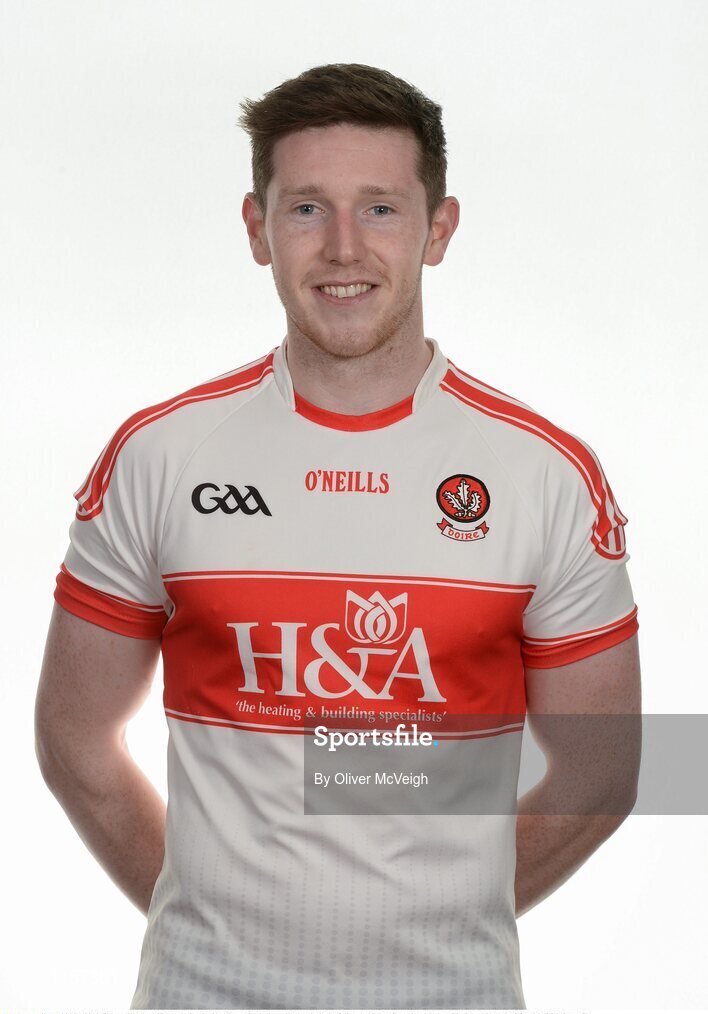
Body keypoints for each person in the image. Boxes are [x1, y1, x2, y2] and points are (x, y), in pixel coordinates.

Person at [34, 62, 641, 1010]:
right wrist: (209, 921)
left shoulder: (547, 476)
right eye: (308, 209)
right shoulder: (160, 455)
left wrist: (442, 925)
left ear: (439, 230)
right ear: (256, 229)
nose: (343, 247)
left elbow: (605, 770)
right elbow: (73, 735)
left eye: (383, 210)